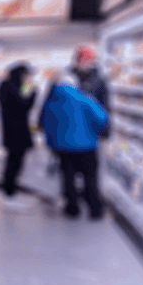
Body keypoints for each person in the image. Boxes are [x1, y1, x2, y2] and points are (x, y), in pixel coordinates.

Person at [38, 73, 109, 220]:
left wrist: (52, 141)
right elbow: (102, 118)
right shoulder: (85, 99)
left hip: (61, 148)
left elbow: (43, 123)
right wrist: (91, 131)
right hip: (86, 146)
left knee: (67, 177)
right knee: (90, 177)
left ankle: (72, 209)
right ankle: (95, 210)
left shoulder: (50, 101)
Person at [0, 62, 36, 208]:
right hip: (16, 134)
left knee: (13, 164)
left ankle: (10, 195)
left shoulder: (5, 86)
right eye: (26, 76)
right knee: (14, 164)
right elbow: (24, 106)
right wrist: (33, 93)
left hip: (12, 133)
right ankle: (10, 196)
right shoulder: (10, 87)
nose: (27, 79)